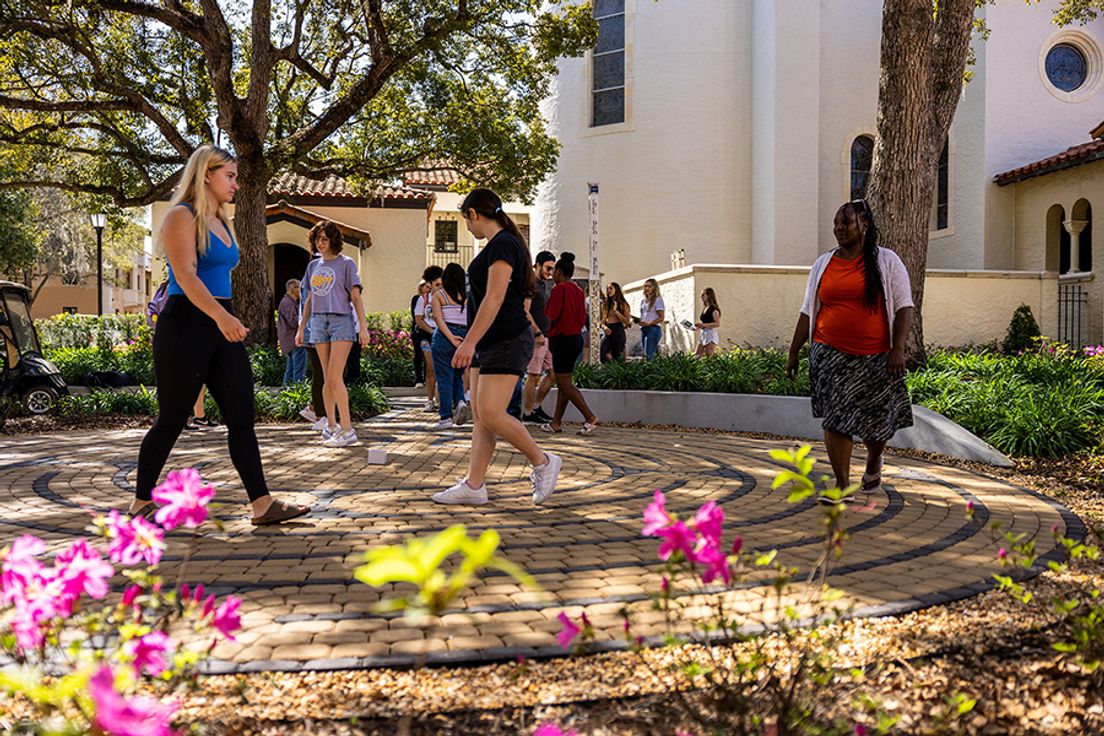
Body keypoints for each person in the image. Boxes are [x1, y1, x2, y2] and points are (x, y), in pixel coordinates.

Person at [128, 145, 309, 525]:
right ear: (206, 174)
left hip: (219, 321)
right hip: (184, 325)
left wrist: (225, 318)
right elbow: (187, 276)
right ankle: (141, 501)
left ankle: (262, 503)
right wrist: (222, 318)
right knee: (173, 418)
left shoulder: (223, 221)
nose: (237, 184)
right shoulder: (182, 216)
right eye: (230, 176)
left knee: (241, 414)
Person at [433, 187, 562, 506]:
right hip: (489, 340)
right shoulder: (499, 244)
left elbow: (494, 297)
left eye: (465, 220)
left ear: (473, 214)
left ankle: (543, 461)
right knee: (481, 415)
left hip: (505, 338)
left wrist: (469, 342)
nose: (467, 227)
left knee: (490, 411)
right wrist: (474, 342)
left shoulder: (504, 243)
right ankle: (474, 485)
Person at [785, 198, 914, 503]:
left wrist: (898, 350)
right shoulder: (823, 264)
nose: (839, 229)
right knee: (835, 417)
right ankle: (842, 485)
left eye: (846, 223)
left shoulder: (887, 261)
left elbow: (905, 307)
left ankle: (872, 463)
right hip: (829, 353)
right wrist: (794, 351)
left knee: (876, 422)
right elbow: (808, 310)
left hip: (876, 356)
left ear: (864, 225)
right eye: (836, 223)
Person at [296, 221, 369, 447]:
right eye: (318, 238)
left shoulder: (346, 264)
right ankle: (331, 426)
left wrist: (363, 328)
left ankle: (348, 430)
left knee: (335, 377)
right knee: (327, 379)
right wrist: (301, 328)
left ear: (334, 240)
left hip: (340, 321)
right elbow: (309, 300)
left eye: (325, 238)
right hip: (318, 322)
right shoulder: (313, 267)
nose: (321, 242)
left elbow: (356, 297)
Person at [542, 253, 600, 436]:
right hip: (575, 338)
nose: (552, 274)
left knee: (565, 384)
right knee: (563, 382)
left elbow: (551, 314)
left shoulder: (559, 289)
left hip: (562, 339)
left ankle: (590, 417)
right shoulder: (577, 290)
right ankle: (556, 422)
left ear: (560, 272)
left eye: (554, 271)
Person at [429, 262, 472, 429]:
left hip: (445, 338)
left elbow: (439, 320)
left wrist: (450, 337)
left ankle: (445, 417)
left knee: (444, 377)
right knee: (458, 375)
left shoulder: (439, 295)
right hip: (463, 336)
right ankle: (460, 401)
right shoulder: (468, 297)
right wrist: (463, 340)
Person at [522, 251, 556, 424]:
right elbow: (525, 310)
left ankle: (536, 406)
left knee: (552, 373)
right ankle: (527, 413)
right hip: (537, 337)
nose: (551, 272)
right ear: (538, 264)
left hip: (547, 336)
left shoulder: (543, 285)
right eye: (548, 268)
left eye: (553, 268)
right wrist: (536, 332)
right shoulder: (532, 284)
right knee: (533, 374)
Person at [415, 266, 443, 412]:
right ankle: (430, 399)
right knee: (430, 367)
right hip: (427, 335)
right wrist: (432, 331)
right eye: (437, 285)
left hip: (443, 334)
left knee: (442, 367)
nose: (440, 287)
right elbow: (419, 319)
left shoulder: (445, 297)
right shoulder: (423, 299)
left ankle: (440, 398)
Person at [278, 279, 307, 385]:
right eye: (299, 287)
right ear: (292, 289)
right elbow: (294, 322)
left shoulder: (290, 302)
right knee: (298, 370)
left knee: (291, 369)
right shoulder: (288, 303)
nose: (301, 290)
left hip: (290, 340)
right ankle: (297, 391)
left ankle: (286, 391)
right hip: (294, 340)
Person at [600, 281, 631, 363]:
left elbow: (627, 322)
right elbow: (602, 321)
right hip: (608, 331)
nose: (608, 290)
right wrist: (604, 327)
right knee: (602, 354)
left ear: (616, 290)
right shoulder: (605, 304)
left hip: (618, 330)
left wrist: (616, 311)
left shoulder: (623, 304)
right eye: (607, 289)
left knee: (618, 357)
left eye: (611, 288)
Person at [637, 278, 665, 359]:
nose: (647, 288)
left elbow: (661, 317)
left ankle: (651, 371)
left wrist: (649, 323)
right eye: (645, 286)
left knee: (649, 355)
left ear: (654, 288)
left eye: (649, 286)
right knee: (646, 354)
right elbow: (644, 315)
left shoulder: (658, 300)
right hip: (644, 329)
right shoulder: (643, 301)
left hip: (653, 329)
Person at [411, 281, 430, 389]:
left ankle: (428, 378)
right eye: (426, 287)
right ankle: (419, 379)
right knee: (418, 355)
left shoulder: (434, 299)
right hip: (419, 331)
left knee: (429, 358)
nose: (428, 289)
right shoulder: (417, 299)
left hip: (430, 330)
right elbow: (416, 316)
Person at [694, 287, 722, 358]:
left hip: (710, 334)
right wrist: (699, 327)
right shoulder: (705, 308)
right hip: (703, 333)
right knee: (697, 355)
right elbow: (705, 321)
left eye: (703, 295)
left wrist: (703, 325)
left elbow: (717, 323)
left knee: (709, 356)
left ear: (709, 296)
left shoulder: (714, 309)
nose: (701, 297)